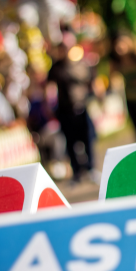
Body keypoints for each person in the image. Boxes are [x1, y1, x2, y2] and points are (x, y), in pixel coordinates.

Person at [47, 41, 97, 183]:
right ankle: (77, 172)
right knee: (70, 142)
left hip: (81, 106)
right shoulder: (56, 68)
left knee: (87, 138)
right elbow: (50, 87)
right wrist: (50, 103)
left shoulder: (81, 64)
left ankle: (91, 168)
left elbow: (90, 81)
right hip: (64, 110)